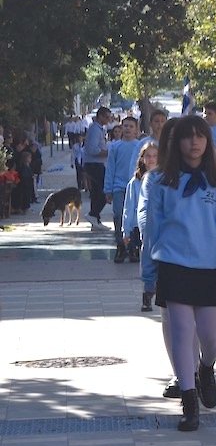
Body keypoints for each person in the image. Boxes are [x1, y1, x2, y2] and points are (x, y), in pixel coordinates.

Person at [139, 115, 216, 432]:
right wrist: (149, 276)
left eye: (201, 136)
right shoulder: (159, 181)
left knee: (211, 338)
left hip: (208, 268)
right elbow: (152, 230)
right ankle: (189, 402)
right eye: (188, 137)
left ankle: (207, 367)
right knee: (182, 333)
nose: (195, 142)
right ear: (177, 143)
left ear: (208, 142)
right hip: (173, 266)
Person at [124, 141, 159, 308]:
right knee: (147, 261)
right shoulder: (135, 182)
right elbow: (129, 207)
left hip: (161, 228)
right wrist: (126, 230)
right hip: (142, 228)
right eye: (148, 156)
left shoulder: (165, 179)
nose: (151, 159)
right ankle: (148, 292)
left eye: (155, 156)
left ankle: (158, 289)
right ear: (142, 159)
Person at [104, 116, 143, 263]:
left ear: (136, 130)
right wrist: (108, 189)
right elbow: (110, 169)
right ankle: (120, 245)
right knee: (119, 214)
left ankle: (133, 246)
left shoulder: (140, 146)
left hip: (136, 186)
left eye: (131, 126)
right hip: (119, 187)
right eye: (125, 126)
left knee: (134, 217)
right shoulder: (115, 147)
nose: (127, 129)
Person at [83, 107, 113, 226]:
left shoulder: (100, 129)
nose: (108, 119)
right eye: (106, 117)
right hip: (94, 164)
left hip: (98, 163)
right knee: (103, 191)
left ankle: (95, 218)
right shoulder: (95, 130)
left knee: (96, 192)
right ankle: (93, 213)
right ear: (100, 116)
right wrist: (108, 152)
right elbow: (92, 149)